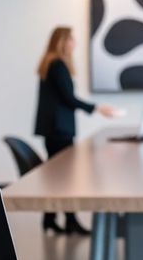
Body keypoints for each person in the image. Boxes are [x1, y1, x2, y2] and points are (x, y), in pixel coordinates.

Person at [34, 26, 118, 235]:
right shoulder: (58, 65)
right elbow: (68, 99)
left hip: (53, 128)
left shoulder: (50, 63)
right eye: (72, 39)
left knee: (57, 178)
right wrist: (97, 108)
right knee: (64, 179)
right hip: (59, 129)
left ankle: (51, 220)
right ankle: (69, 221)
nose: (75, 43)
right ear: (63, 41)